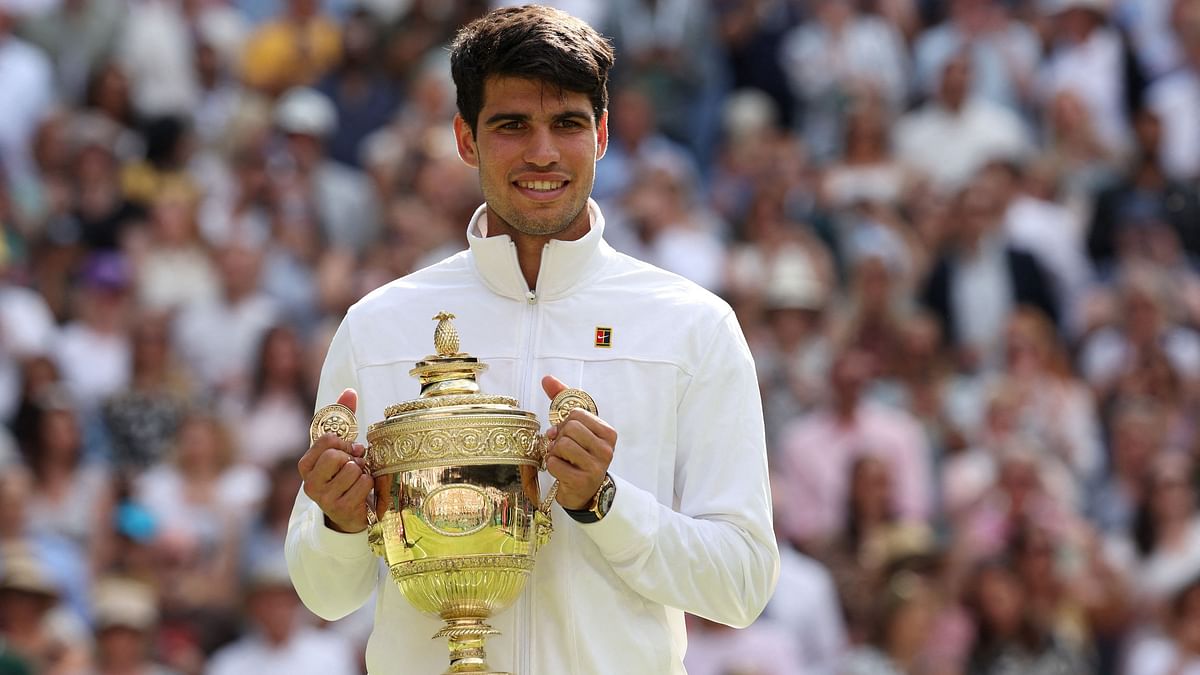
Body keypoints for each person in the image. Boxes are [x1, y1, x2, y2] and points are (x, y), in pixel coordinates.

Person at [285, 5, 779, 673]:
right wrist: (340, 520)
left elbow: (743, 583)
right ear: (466, 138)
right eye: (512, 125)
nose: (542, 152)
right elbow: (324, 590)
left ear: (602, 135)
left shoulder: (694, 325)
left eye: (567, 124)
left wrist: (605, 502)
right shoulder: (379, 326)